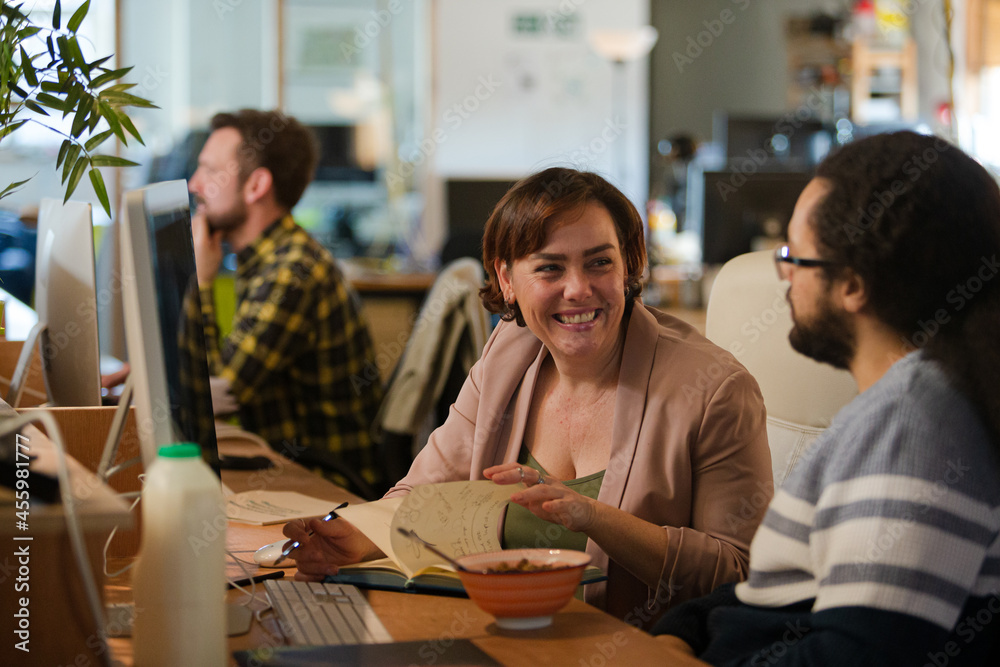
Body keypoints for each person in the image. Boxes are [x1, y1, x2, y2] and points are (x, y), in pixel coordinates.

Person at [284, 167, 772, 630]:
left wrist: (594, 517)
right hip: (501, 634)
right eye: (550, 268)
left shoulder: (714, 390)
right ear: (506, 280)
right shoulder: (509, 354)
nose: (578, 289)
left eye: (599, 262)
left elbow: (739, 574)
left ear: (628, 265)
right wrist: (355, 538)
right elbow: (423, 493)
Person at [653, 131, 1000, 666]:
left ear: (853, 285)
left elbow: (862, 654)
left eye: (795, 256)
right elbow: (783, 593)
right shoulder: (908, 401)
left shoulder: (912, 420)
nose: (784, 277)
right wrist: (684, 627)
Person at [189, 109, 383, 492]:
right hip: (285, 468)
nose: (195, 184)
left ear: (256, 185)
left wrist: (201, 282)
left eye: (210, 171)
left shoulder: (292, 271)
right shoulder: (268, 258)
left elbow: (217, 395)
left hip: (327, 485)